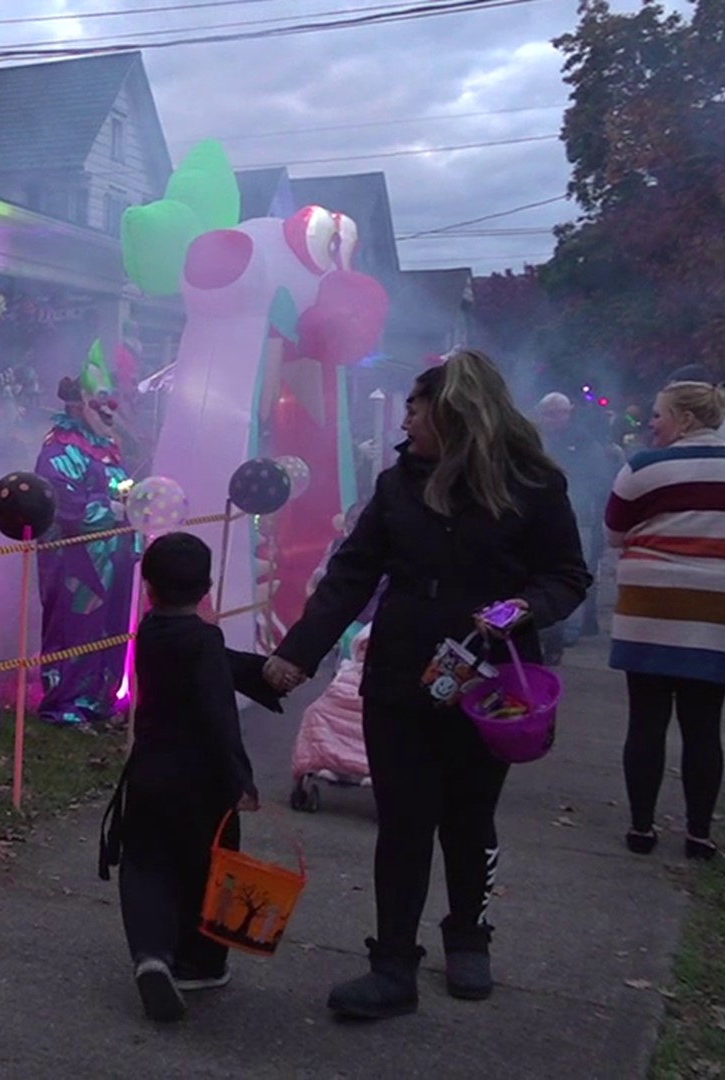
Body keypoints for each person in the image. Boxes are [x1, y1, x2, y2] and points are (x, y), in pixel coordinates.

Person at [262, 348, 592, 1019]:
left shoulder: (532, 485)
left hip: (489, 681)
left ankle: (469, 938)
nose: (405, 418)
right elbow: (352, 574)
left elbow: (566, 575)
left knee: (469, 818)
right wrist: (295, 654)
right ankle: (391, 965)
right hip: (401, 674)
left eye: (416, 407)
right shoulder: (397, 485)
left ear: (455, 415)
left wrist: (523, 608)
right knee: (404, 822)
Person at [605, 382, 725, 860]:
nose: (651, 423)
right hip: (721, 613)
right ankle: (699, 834)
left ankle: (641, 828)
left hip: (650, 609)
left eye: (659, 415)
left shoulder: (643, 467)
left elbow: (613, 533)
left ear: (684, 419)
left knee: (646, 719)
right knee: (703, 725)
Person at [97, 532, 271, 1022]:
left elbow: (212, 663)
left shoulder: (149, 631)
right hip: (202, 783)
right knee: (208, 868)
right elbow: (219, 714)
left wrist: (261, 671)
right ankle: (201, 961)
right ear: (207, 588)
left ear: (148, 588)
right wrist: (241, 778)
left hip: (151, 773)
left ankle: (152, 954)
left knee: (146, 863)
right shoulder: (205, 640)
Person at [35, 342, 135, 728]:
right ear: (77, 405)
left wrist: (128, 501)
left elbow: (117, 487)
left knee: (111, 630)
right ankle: (66, 703)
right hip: (78, 565)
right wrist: (111, 510)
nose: (110, 408)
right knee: (76, 629)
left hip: (115, 557)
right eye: (101, 401)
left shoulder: (107, 445)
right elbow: (64, 503)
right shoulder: (60, 447)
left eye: (112, 400)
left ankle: (102, 699)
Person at [534, 392, 618, 662]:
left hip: (579, 512)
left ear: (567, 413)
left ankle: (572, 628)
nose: (552, 419)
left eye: (557, 413)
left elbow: (598, 477)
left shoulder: (583, 441)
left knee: (575, 568)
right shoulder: (536, 440)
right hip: (544, 513)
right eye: (547, 413)